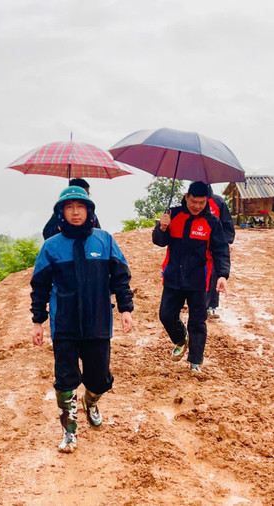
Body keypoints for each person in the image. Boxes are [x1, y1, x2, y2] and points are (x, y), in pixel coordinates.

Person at [30, 186, 134, 453]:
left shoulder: (104, 240)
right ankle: (69, 431)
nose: (75, 212)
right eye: (69, 207)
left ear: (90, 211)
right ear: (61, 213)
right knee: (65, 379)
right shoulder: (51, 246)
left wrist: (125, 309)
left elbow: (121, 277)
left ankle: (91, 401)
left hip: (98, 323)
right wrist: (38, 321)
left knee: (99, 380)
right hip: (64, 324)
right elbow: (39, 286)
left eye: (81, 207)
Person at [152, 181, 230, 374]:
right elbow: (159, 242)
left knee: (197, 322)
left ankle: (195, 363)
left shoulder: (212, 222)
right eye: (194, 201)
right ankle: (180, 338)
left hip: (199, 280)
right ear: (186, 197)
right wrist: (161, 228)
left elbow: (221, 251)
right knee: (166, 315)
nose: (197, 206)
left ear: (207, 201)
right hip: (173, 277)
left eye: (202, 202)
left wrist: (222, 275)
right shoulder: (173, 215)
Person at [205, 185, 235, 318]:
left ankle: (211, 306)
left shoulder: (219, 202)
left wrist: (227, 242)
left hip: (216, 244)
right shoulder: (191, 201)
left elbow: (227, 224)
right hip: (199, 243)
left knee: (214, 275)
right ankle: (198, 304)